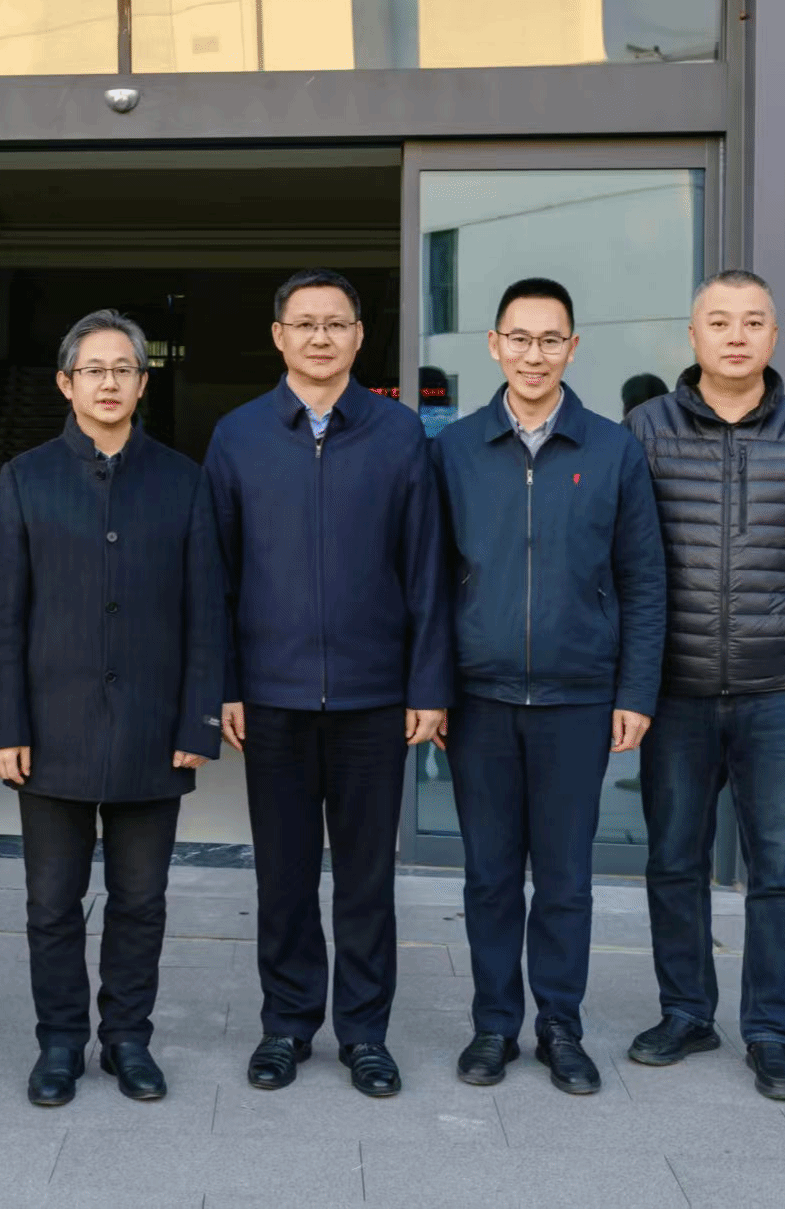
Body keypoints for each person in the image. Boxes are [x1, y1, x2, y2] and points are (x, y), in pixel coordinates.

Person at [623, 269, 785, 1102]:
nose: (736, 335)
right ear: (692, 336)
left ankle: (771, 1030)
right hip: (674, 690)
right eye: (720, 321)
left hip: (779, 690)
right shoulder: (646, 429)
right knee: (673, 859)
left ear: (774, 336)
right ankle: (686, 1011)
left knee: (783, 869)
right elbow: (618, 559)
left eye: (753, 320)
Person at [205, 267, 453, 1098]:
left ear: (358, 335)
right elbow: (216, 575)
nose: (320, 336)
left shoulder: (398, 433)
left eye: (336, 323)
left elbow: (426, 568)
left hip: (374, 696)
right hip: (271, 697)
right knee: (282, 876)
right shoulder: (238, 436)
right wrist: (226, 684)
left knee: (366, 879)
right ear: (278, 335)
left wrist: (427, 686)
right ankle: (285, 1024)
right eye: (304, 323)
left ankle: (365, 1032)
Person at [0, 310, 226, 1108]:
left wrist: (197, 720)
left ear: (143, 382)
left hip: (154, 729)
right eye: (94, 369)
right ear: (66, 382)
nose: (109, 382)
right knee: (51, 903)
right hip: (51, 728)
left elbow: (205, 611)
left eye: (124, 368)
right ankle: (59, 1041)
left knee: (141, 900)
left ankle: (127, 1038)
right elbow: (2, 615)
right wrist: (6, 725)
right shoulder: (25, 477)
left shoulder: (183, 480)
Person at [430, 279, 666, 1094]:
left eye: (551, 339)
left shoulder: (613, 449)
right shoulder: (455, 449)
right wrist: (432, 688)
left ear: (573, 347)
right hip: (480, 698)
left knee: (565, 878)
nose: (535, 354)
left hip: (578, 697)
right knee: (490, 875)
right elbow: (430, 581)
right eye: (520, 338)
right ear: (494, 344)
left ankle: (560, 1024)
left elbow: (644, 581)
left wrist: (635, 691)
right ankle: (494, 1024)